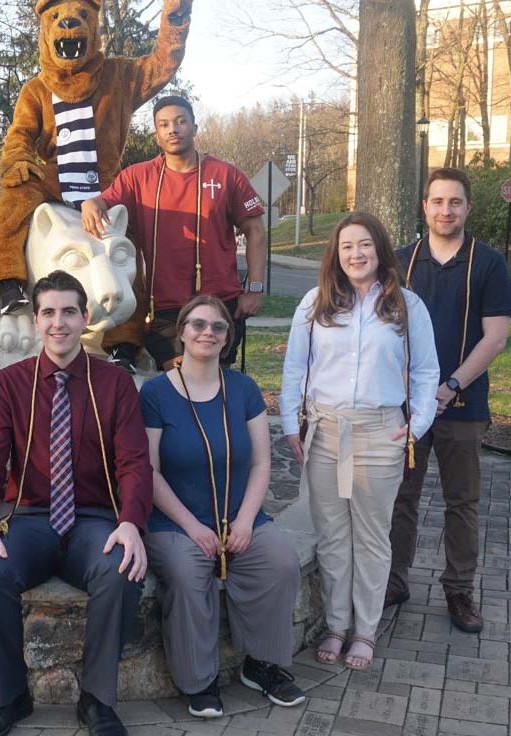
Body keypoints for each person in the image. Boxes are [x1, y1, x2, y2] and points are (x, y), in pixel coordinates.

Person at [0, 271, 152, 736]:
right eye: (48, 312)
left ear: (84, 317)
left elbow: (134, 462)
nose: (59, 322)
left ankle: (97, 700)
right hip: (31, 518)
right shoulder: (9, 384)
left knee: (120, 568)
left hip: (93, 519)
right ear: (36, 319)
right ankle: (9, 699)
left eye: (69, 311)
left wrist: (130, 524)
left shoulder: (114, 384)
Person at [280, 212, 439, 671]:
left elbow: (427, 370)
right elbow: (295, 367)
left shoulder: (407, 305)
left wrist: (417, 424)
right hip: (327, 432)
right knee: (331, 536)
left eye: (365, 244)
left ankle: (365, 630)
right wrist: (292, 423)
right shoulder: (316, 303)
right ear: (336, 252)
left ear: (380, 250)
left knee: (370, 537)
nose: (356, 254)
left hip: (378, 433)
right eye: (347, 246)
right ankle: (335, 624)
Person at [142, 295, 305, 718]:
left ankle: (262, 665)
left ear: (227, 338)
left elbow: (262, 461)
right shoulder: (156, 394)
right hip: (173, 521)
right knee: (186, 569)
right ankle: (199, 680)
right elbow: (150, 473)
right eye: (197, 325)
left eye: (217, 327)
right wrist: (193, 528)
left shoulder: (244, 389)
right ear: (181, 333)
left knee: (281, 562)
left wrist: (247, 520)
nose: (207, 333)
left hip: (237, 513)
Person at [386, 168, 511, 632]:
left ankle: (459, 592)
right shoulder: (400, 262)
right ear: (424, 206)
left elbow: (495, 338)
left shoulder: (488, 263)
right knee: (402, 497)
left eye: (455, 202)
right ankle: (394, 580)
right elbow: (382, 332)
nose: (446, 210)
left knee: (461, 502)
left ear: (467, 207)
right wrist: (413, 389)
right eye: (438, 201)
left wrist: (451, 386)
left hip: (463, 405)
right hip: (405, 406)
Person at [80, 95, 267, 372]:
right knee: (181, 382)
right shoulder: (136, 177)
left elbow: (256, 231)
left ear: (194, 127)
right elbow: (103, 201)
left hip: (220, 301)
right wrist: (91, 202)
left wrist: (255, 289)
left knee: (215, 380)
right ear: (157, 135)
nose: (173, 129)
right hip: (164, 306)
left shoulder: (226, 175)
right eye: (164, 124)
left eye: (181, 122)